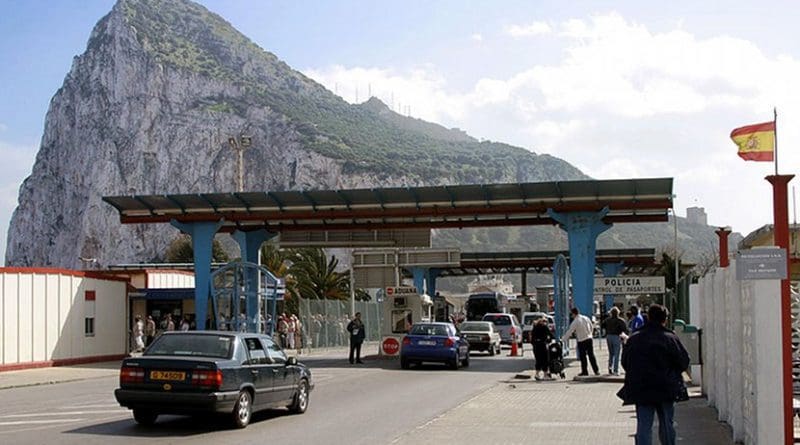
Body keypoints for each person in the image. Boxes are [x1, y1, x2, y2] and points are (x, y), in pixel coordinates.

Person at [620, 304, 690, 445]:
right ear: (664, 320)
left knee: (644, 426)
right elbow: (684, 361)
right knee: (667, 424)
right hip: (666, 387)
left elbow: (625, 362)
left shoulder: (635, 338)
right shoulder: (670, 338)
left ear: (648, 318)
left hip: (641, 388)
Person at [561, 306, 599, 376]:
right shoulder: (586, 318)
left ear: (573, 314)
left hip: (582, 340)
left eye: (571, 314)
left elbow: (570, 332)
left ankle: (585, 371)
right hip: (589, 338)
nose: (571, 316)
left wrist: (563, 340)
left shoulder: (576, 321)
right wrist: (590, 334)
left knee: (583, 356)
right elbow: (591, 326)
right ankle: (596, 370)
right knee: (591, 355)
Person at [602, 307, 628, 375]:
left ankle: (610, 368)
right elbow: (625, 330)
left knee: (611, 353)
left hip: (608, 336)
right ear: (618, 313)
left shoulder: (607, 320)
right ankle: (615, 370)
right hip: (617, 337)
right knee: (617, 354)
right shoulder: (621, 320)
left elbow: (603, 325)